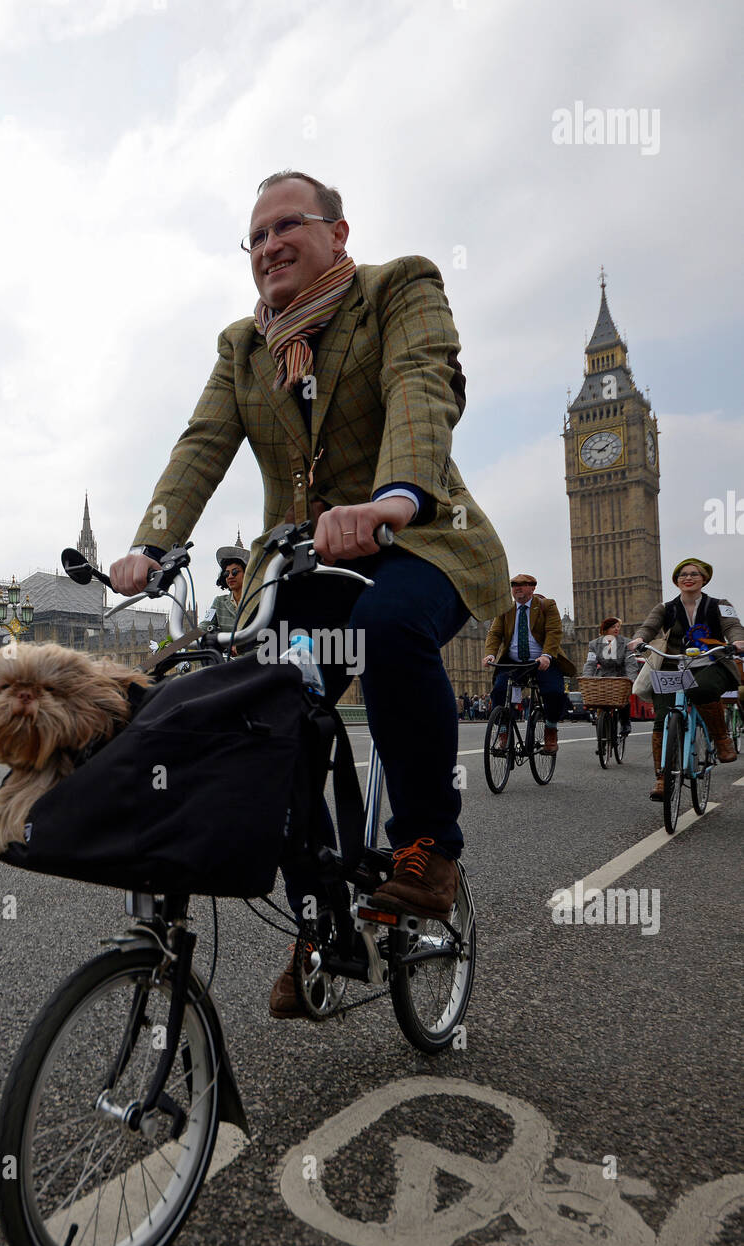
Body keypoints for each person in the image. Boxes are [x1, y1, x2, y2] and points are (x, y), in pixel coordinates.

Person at [109, 169, 510, 1017]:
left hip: (416, 538)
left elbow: (419, 385)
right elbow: (201, 444)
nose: (268, 247)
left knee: (388, 626)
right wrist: (152, 539)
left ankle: (428, 846)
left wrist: (394, 495)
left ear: (338, 231)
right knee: (271, 706)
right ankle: (319, 916)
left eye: (286, 225)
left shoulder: (398, 287)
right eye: (254, 238)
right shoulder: (242, 346)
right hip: (302, 561)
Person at [628, 558, 744, 798]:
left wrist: (737, 641)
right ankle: (662, 778)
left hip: (711, 663)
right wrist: (639, 639)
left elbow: (733, 625)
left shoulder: (720, 604)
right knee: (661, 718)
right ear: (677, 581)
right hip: (672, 665)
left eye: (694, 574)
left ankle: (721, 739)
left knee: (701, 690)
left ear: (704, 579)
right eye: (682, 575)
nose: (688, 578)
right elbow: (648, 627)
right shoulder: (665, 608)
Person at [483, 575, 575, 752]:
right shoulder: (505, 609)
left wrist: (547, 655)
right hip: (514, 662)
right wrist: (490, 654)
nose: (517, 588)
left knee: (554, 692)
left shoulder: (546, 605)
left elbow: (554, 632)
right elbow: (494, 634)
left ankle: (550, 728)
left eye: (523, 585)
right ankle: (503, 733)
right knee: (499, 692)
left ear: (533, 588)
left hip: (541, 660)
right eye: (514, 585)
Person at [582, 617, 638, 735]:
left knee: (623, 700)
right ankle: (601, 730)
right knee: (600, 701)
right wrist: (587, 678)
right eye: (613, 627)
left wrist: (631, 679)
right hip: (603, 676)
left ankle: (625, 722)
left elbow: (630, 663)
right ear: (605, 629)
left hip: (620, 675)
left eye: (618, 626)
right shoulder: (594, 644)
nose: (616, 629)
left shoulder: (627, 643)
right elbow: (590, 663)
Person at [202, 540, 250, 636]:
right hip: (227, 650)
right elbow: (203, 626)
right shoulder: (219, 602)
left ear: (247, 574)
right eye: (226, 573)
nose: (230, 576)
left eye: (235, 572)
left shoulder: (257, 600)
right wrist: (173, 646)